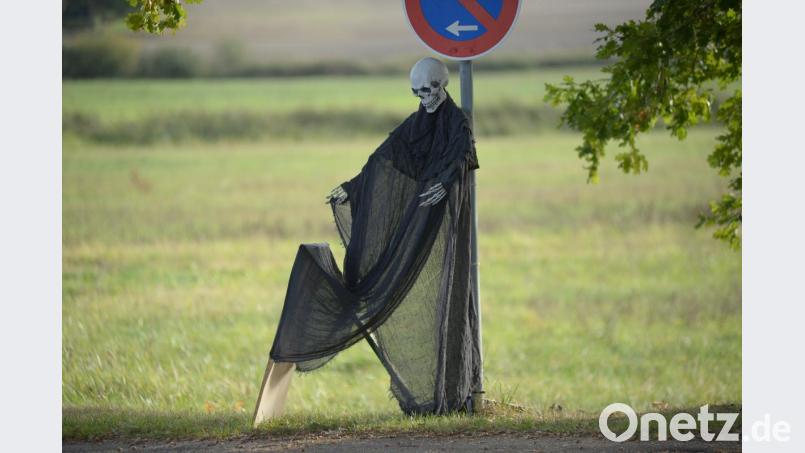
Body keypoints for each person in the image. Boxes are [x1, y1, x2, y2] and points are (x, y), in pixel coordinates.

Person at [256, 57, 481, 419]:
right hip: (422, 211)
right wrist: (354, 188)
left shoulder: (456, 123)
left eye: (429, 89)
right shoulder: (415, 124)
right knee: (374, 280)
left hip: (443, 218)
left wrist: (444, 180)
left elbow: (460, 154)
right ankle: (439, 397)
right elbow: (384, 158)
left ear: (443, 85)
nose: (424, 98)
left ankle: (453, 393)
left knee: (445, 297)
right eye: (417, 92)